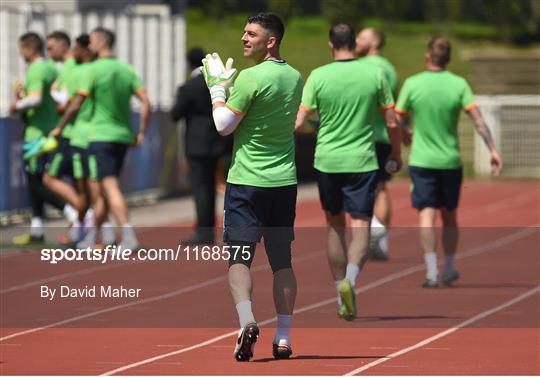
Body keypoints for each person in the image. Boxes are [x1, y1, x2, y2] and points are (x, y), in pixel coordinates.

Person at [201, 13, 302, 361]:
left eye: (251, 33)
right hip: (284, 182)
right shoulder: (294, 76)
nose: (243, 38)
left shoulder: (251, 77)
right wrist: (233, 91)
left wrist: (217, 91)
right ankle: (285, 336)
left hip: (247, 182)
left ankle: (246, 321)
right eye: (244, 31)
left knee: (239, 258)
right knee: (282, 262)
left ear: (270, 41)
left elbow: (223, 125)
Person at [295, 23, 402, 321]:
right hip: (363, 161)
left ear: (331, 45)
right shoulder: (374, 73)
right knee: (360, 227)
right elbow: (392, 121)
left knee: (333, 226)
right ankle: (350, 282)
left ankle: (337, 287)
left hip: (327, 160)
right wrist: (396, 153)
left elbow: (299, 121)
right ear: (354, 44)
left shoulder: (318, 75)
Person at [395, 36, 502, 287]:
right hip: (450, 161)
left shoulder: (413, 84)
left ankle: (431, 271)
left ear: (427, 56)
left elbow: (397, 119)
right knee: (449, 216)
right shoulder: (459, 84)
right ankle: (450, 267)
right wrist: (493, 149)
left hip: (422, 160)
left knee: (426, 215)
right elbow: (478, 120)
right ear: (449, 59)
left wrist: (405, 136)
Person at [51, 27, 151, 250]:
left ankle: (128, 236)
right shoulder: (126, 69)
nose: (89, 45)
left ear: (100, 42)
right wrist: (142, 131)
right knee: (105, 188)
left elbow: (76, 103)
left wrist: (60, 126)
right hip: (122, 136)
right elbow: (146, 102)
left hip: (100, 136)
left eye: (92, 40)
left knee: (106, 187)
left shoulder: (93, 69)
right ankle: (95, 236)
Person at [9, 32, 73, 245]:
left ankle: (72, 212)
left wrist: (16, 105)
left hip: (37, 135)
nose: (20, 53)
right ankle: (37, 229)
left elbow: (35, 99)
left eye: (21, 48)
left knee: (37, 182)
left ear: (28, 48)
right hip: (49, 131)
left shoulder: (37, 69)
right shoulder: (51, 68)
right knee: (35, 179)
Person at [171, 47, 230, 245]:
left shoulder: (188, 87)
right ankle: (210, 229)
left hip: (196, 144)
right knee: (212, 188)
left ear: (189, 64)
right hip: (216, 141)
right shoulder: (215, 84)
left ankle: (203, 232)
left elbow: (175, 114)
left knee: (200, 188)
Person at [356, 27, 398, 261]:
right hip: (382, 135)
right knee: (381, 187)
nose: (357, 41)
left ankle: (372, 229)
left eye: (362, 37)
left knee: (354, 186)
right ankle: (380, 240)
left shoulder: (367, 67)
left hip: (363, 135)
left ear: (375, 42)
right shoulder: (390, 68)